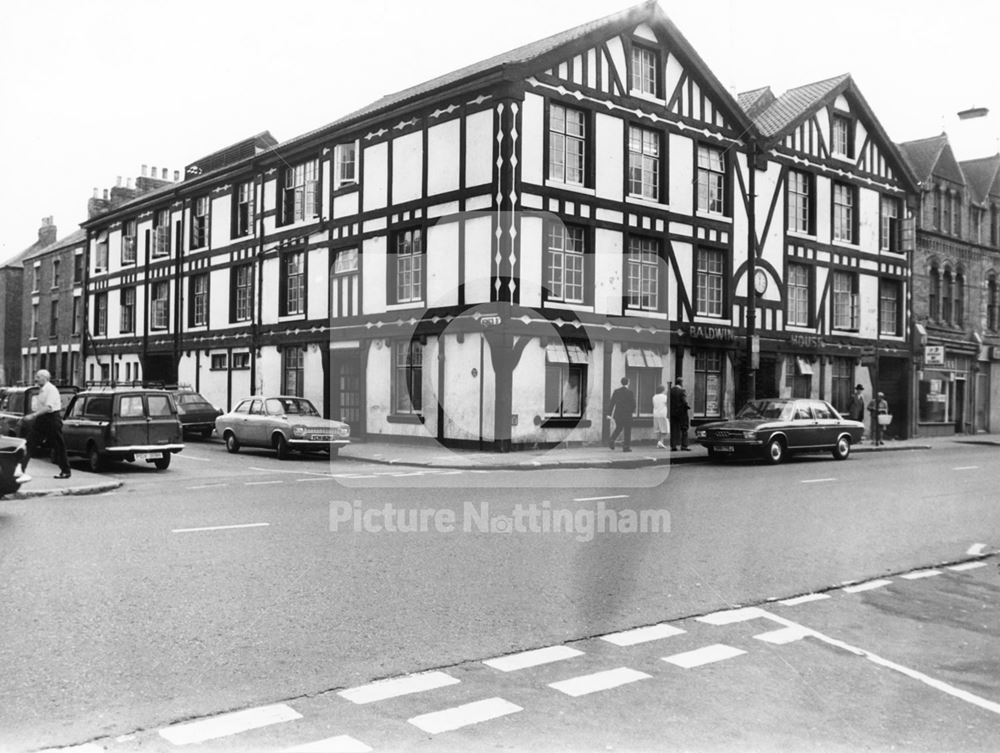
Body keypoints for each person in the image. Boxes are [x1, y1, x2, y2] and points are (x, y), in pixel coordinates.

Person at [19, 369, 71, 479]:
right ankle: (20, 470)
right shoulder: (41, 390)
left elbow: (48, 407)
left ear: (45, 378)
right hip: (42, 420)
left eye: (38, 377)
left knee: (58, 445)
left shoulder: (51, 390)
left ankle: (66, 471)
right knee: (30, 443)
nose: (36, 379)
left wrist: (33, 415)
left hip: (52, 419)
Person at [607, 377, 636, 452]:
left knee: (618, 428)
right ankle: (626, 447)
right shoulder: (630, 392)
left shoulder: (616, 391)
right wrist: (631, 411)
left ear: (621, 382)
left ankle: (611, 440)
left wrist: (609, 414)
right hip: (627, 414)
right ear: (628, 383)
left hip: (618, 414)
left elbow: (612, 403)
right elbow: (633, 404)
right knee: (627, 430)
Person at [669, 378, 691, 451]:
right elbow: (684, 401)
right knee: (684, 429)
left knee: (673, 429)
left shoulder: (671, 391)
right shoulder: (682, 391)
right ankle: (684, 446)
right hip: (682, 413)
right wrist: (687, 406)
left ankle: (673, 446)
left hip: (673, 413)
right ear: (681, 383)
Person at [652, 384, 669, 449]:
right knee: (665, 429)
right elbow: (666, 404)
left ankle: (659, 443)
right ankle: (661, 441)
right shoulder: (664, 397)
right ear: (662, 390)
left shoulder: (654, 397)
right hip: (663, 414)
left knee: (658, 429)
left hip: (656, 414)